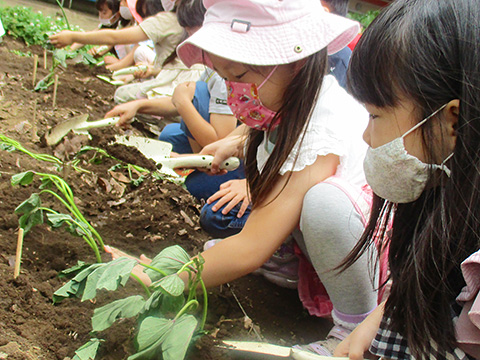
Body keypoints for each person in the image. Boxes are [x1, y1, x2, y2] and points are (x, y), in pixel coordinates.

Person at [108, 0, 387, 355]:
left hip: (369, 249)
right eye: (225, 77)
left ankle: (354, 325)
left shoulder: (323, 126)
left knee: (324, 204)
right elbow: (258, 149)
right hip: (330, 237)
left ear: (295, 63)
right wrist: (234, 142)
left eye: (238, 77)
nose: (232, 88)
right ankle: (289, 261)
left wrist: (166, 282)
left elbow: (250, 248)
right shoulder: (287, 103)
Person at [333, 0, 480, 359]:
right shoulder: (438, 187)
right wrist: (375, 321)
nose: (367, 137)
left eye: (375, 115)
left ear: (453, 120)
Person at [49, 0, 183, 78]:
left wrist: (72, 36)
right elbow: (110, 39)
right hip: (155, 74)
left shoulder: (162, 23)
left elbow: (113, 38)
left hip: (161, 80)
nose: (122, 5)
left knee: (123, 93)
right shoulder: (127, 25)